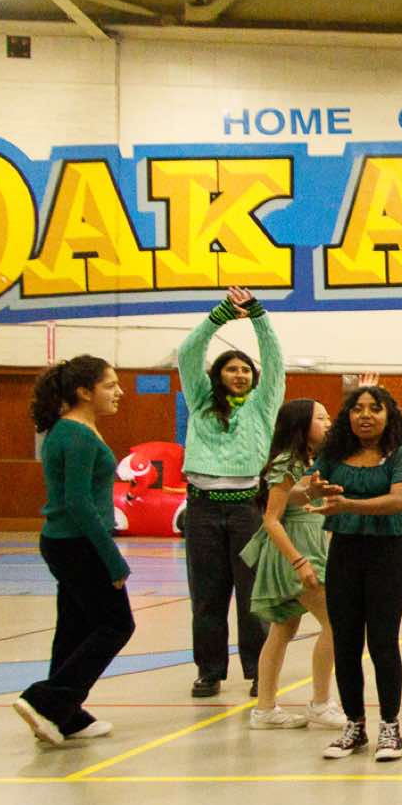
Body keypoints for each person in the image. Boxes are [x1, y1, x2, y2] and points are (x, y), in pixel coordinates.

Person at [16, 356, 133, 746]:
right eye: (110, 385)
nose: (119, 392)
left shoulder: (69, 430)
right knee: (117, 625)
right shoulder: (77, 436)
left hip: (65, 542)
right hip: (78, 544)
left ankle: (66, 715)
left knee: (75, 627)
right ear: (84, 392)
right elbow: (79, 502)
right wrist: (113, 560)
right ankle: (47, 701)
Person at [177, 286, 284, 698]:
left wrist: (259, 317)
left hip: (246, 510)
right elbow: (189, 352)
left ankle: (258, 670)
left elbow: (274, 360)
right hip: (202, 508)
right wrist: (219, 316)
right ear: (217, 375)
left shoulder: (262, 404)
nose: (240, 374)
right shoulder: (200, 402)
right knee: (207, 596)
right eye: (231, 369)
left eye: (245, 370)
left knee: (253, 595)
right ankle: (209, 671)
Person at [312, 384, 402, 761]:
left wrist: (348, 504)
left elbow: (399, 500)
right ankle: (354, 725)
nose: (366, 415)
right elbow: (300, 492)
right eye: (358, 409)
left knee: (383, 643)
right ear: (348, 416)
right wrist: (306, 491)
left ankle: (390, 726)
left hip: (387, 555)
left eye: (375, 408)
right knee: (345, 643)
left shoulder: (400, 455)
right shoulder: (333, 455)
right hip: (344, 554)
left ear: (389, 415)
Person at [239, 399, 341, 729]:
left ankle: (264, 709)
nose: (328, 423)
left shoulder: (312, 461)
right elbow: (271, 519)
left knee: (282, 629)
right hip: (295, 552)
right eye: (321, 418)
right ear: (301, 425)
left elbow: (302, 498)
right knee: (335, 624)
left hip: (311, 547)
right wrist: (299, 562)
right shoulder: (287, 462)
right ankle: (320, 703)